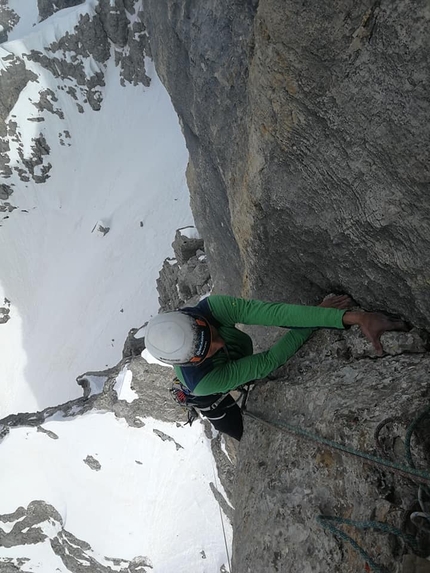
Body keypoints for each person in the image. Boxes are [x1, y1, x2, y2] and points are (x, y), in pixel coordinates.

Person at [145, 294, 406, 440]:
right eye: (205, 352)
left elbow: (275, 314)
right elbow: (268, 361)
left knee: (236, 349)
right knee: (237, 430)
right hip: (209, 392)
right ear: (189, 362)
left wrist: (350, 318)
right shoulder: (204, 382)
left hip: (217, 369)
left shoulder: (212, 309)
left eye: (209, 334)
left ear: (195, 319)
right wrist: (314, 322)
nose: (217, 343)